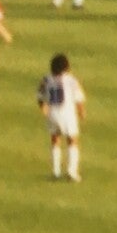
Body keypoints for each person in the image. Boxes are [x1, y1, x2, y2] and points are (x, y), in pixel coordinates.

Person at [36, 53, 87, 181]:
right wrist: (81, 111)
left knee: (55, 140)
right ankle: (72, 171)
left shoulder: (46, 79)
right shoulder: (71, 80)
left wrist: (43, 106)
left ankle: (56, 171)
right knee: (72, 141)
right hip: (67, 113)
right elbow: (79, 98)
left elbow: (40, 95)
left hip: (52, 113)